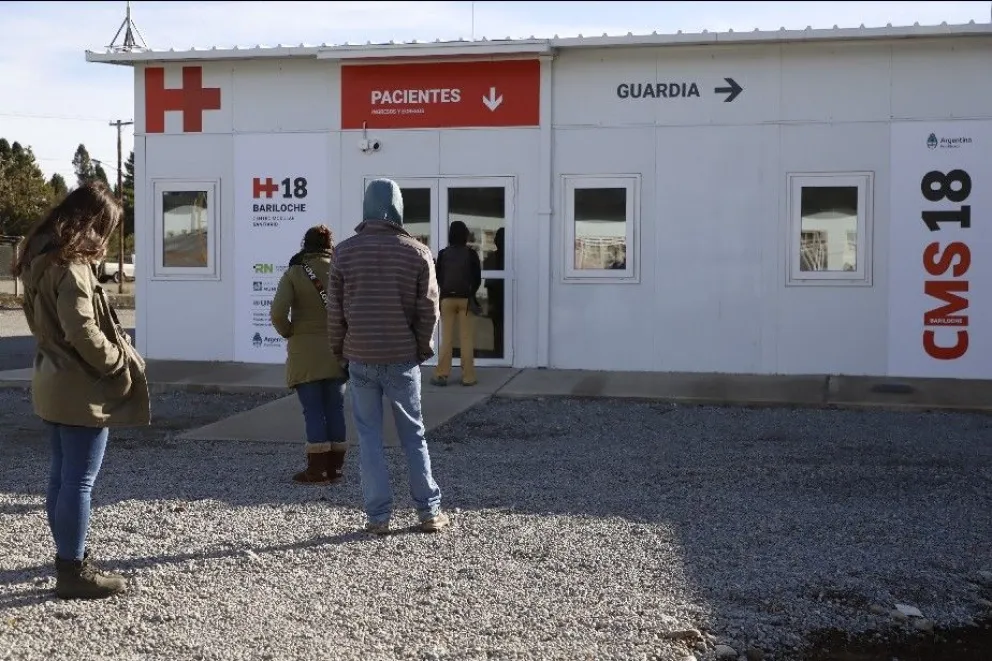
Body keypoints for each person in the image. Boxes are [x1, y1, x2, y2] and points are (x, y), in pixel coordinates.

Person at [11, 181, 150, 600]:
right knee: (79, 482)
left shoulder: (38, 256)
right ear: (92, 222)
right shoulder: (70, 267)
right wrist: (117, 361)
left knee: (62, 477)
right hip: (81, 386)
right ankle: (73, 570)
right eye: (105, 227)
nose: (105, 237)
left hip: (52, 379)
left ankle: (68, 559)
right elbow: (82, 330)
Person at [327, 178, 449, 535]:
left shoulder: (344, 252)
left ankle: (377, 517)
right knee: (413, 434)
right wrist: (421, 348)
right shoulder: (417, 251)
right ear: (398, 207)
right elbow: (429, 308)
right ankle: (428, 512)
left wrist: (340, 350)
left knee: (369, 439)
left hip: (360, 358)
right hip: (402, 357)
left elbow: (335, 312)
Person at [270, 224, 349, 485]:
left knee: (314, 410)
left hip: (305, 351)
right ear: (329, 245)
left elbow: (278, 313)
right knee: (335, 408)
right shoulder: (341, 269)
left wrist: (291, 332)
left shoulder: (295, 271)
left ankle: (316, 471)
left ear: (306, 244)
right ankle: (335, 470)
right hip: (337, 350)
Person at [431, 220, 482, 387]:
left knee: (447, 339)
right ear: (465, 235)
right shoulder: (471, 254)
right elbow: (477, 279)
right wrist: (471, 292)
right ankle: (468, 377)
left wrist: (446, 289)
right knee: (466, 339)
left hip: (447, 300)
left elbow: (438, 277)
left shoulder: (444, 254)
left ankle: (441, 375)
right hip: (466, 300)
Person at [483, 228, 506, 359]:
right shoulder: (495, 257)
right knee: (502, 328)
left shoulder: (491, 257)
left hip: (496, 297)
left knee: (498, 328)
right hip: (501, 297)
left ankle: (499, 352)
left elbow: (489, 283)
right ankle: (501, 352)